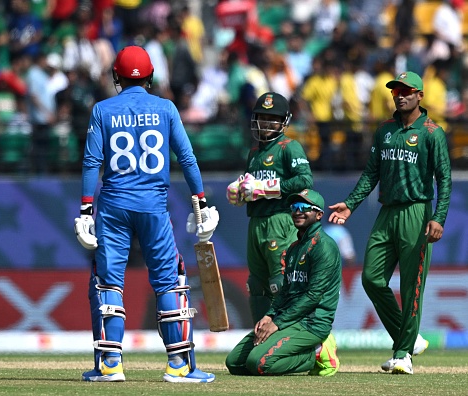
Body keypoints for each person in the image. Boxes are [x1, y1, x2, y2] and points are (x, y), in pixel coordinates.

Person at [74, 45, 219, 383]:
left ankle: (110, 365)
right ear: (151, 76)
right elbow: (187, 158)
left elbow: (91, 163)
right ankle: (180, 365)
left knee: (108, 280)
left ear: (116, 77)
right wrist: (199, 200)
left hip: (112, 206)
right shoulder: (165, 108)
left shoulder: (102, 110)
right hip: (153, 206)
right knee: (170, 279)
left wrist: (85, 208)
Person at [328, 71, 452, 375]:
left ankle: (402, 354)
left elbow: (444, 180)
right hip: (387, 213)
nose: (401, 95)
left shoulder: (432, 132)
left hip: (417, 212)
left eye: (407, 91)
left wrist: (438, 217)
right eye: (396, 90)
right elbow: (372, 173)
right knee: (371, 279)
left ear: (420, 95)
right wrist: (351, 204)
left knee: (412, 287)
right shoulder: (384, 130)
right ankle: (410, 339)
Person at [225, 189, 342, 377]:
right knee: (235, 363)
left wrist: (277, 323)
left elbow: (313, 296)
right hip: (288, 318)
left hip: (312, 322)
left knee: (259, 364)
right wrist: (269, 316)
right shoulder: (295, 248)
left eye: (305, 207)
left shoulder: (324, 247)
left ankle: (318, 353)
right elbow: (286, 290)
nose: (297, 211)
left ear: (319, 214)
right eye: (294, 207)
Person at [226, 91, 313, 325]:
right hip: (255, 223)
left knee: (281, 282)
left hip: (280, 220)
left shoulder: (289, 147)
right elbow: (251, 186)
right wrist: (240, 191)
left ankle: (289, 335)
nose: (266, 123)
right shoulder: (254, 152)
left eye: (272, 118)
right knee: (256, 285)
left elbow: (305, 181)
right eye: (262, 117)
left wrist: (266, 188)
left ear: (284, 122)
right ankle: (261, 339)